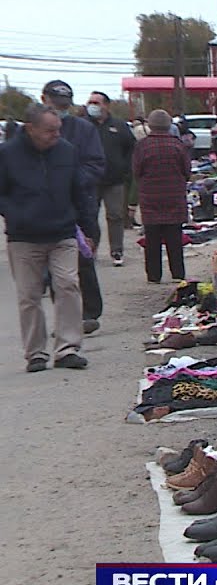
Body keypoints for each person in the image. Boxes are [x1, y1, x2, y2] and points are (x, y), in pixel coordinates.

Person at [0, 104, 97, 372]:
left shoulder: (66, 151)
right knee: (29, 295)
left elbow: (80, 191)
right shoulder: (7, 154)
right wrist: (15, 213)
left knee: (67, 284)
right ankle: (36, 353)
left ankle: (67, 348)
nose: (56, 134)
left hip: (63, 232)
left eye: (58, 129)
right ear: (30, 129)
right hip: (24, 237)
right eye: (49, 130)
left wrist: (88, 230)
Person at [42, 80, 106, 335]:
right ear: (44, 99)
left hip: (79, 205)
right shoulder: (31, 130)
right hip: (44, 209)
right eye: (56, 104)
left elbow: (95, 165)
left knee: (83, 260)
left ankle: (90, 312)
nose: (60, 109)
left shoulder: (83, 129)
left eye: (64, 105)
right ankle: (66, 317)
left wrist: (69, 181)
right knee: (55, 268)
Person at [133, 110, 190, 283]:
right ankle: (178, 273)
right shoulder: (178, 145)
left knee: (152, 239)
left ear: (150, 125)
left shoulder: (142, 146)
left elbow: (136, 171)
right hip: (174, 196)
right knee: (174, 237)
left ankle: (154, 275)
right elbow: (186, 171)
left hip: (150, 197)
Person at [84, 91, 136, 267]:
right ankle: (90, 250)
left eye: (96, 103)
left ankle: (116, 251)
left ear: (106, 105)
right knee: (89, 216)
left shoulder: (119, 126)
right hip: (89, 181)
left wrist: (126, 170)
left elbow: (131, 149)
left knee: (115, 216)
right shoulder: (83, 125)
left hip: (115, 180)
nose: (92, 106)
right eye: (90, 102)